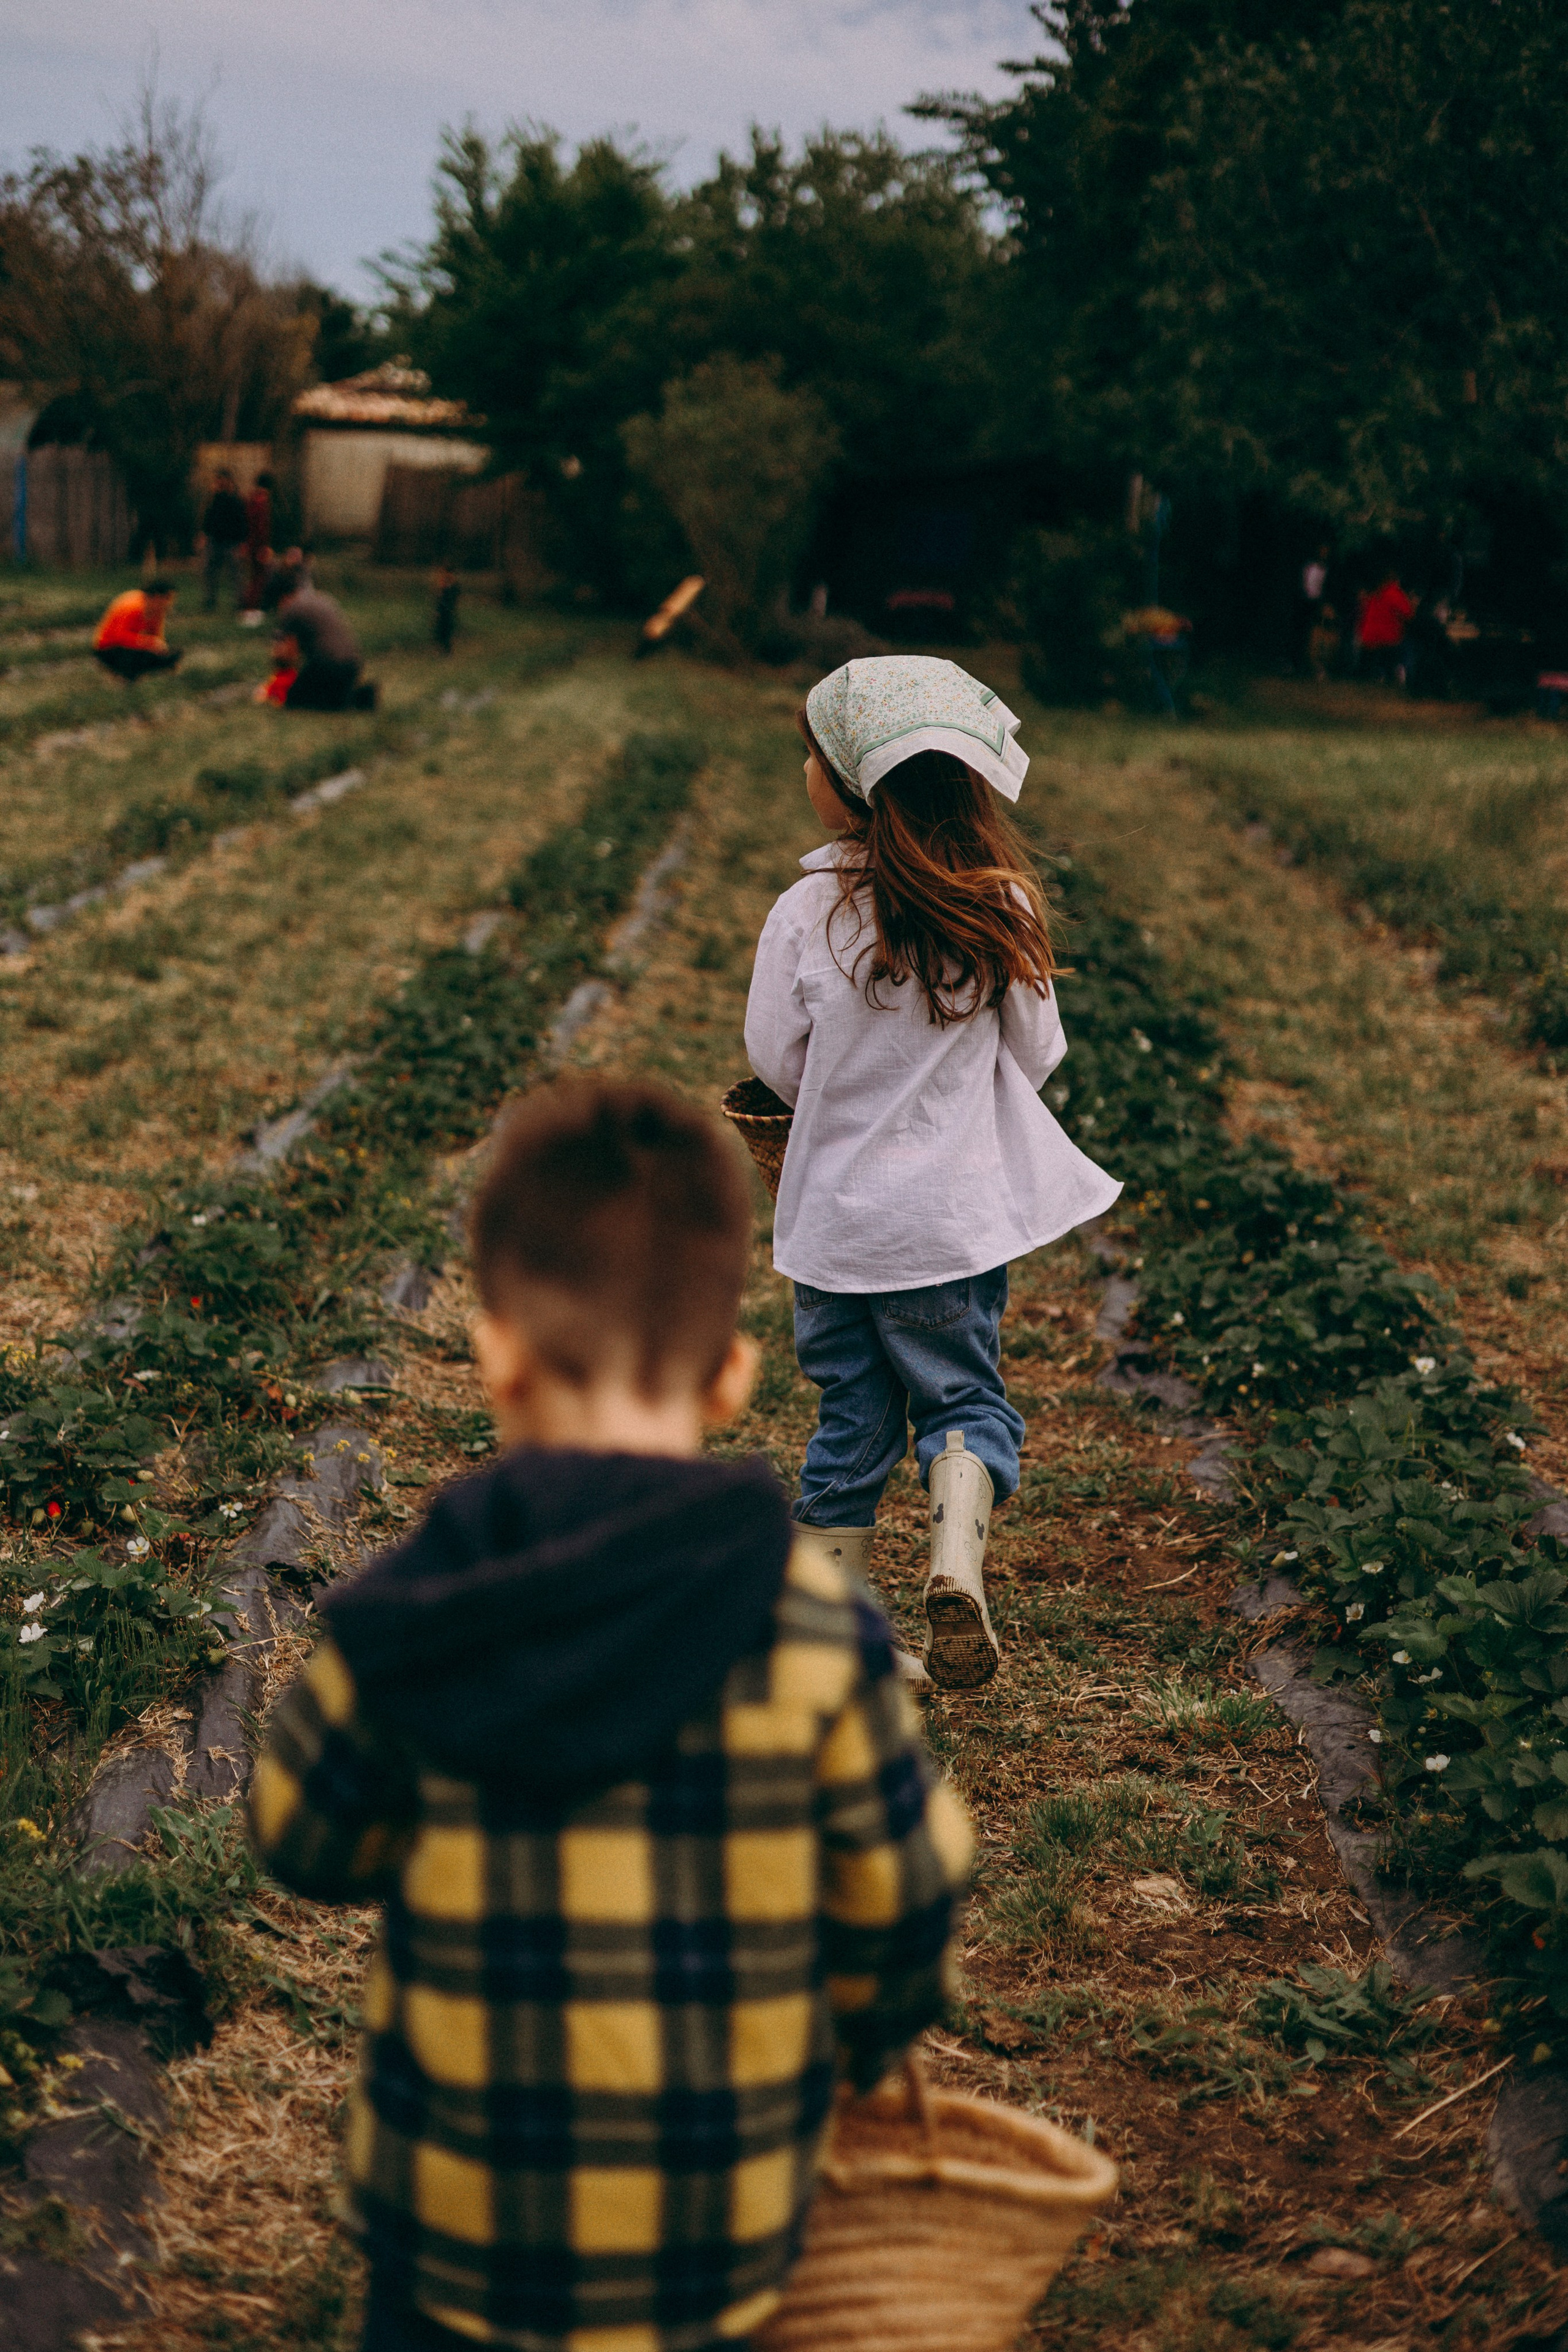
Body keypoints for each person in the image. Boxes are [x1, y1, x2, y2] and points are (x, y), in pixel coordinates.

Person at [251, 1076, 972, 2352]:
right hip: (714, 2243)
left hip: (456, 2244)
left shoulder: (428, 1608)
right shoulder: (812, 1629)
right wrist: (850, 2042)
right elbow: (903, 1896)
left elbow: (307, 1839)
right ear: (734, 1377)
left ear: (496, 1355)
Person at [745, 657, 1121, 1692]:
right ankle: (955, 1564)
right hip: (945, 1235)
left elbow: (774, 1058)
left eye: (811, 754)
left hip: (830, 1233)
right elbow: (1039, 1056)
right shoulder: (996, 900)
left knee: (849, 1426)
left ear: (849, 782)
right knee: (965, 1403)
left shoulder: (808, 908)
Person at [275, 579, 372, 709]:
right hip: (353, 664)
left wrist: (279, 680)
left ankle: (345, 699)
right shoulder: (323, 599)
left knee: (294, 700)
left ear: (283, 597)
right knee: (332, 699)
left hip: (327, 665)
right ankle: (358, 697)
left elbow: (288, 655)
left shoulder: (291, 609)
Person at [91, 580, 182, 682]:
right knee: (136, 656)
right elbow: (119, 636)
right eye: (168, 599)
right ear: (157, 597)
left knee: (170, 655)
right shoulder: (132, 607)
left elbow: (156, 635)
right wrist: (148, 642)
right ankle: (125, 678)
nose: (171, 603)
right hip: (108, 649)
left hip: (130, 644)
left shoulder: (157, 610)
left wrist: (162, 651)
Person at [199, 469, 249, 612]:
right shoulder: (214, 499)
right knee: (210, 572)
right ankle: (210, 601)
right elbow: (209, 518)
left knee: (236, 574)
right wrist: (204, 534)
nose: (219, 484)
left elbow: (242, 522)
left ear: (228, 481)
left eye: (221, 480)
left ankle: (240, 602)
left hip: (231, 542)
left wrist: (242, 542)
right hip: (214, 541)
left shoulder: (236, 500)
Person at [1355, 567, 1414, 686]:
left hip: (1368, 638)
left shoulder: (1376, 594)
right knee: (1410, 644)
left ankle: (1380, 673)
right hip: (1387, 639)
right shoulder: (1394, 593)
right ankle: (1402, 671)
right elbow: (1409, 614)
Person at [241, 470, 276, 624]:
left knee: (254, 577)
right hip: (258, 546)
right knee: (259, 578)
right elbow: (261, 528)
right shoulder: (262, 502)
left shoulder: (251, 500)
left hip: (251, 544)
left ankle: (250, 606)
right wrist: (264, 547)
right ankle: (251, 610)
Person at [1297, 543, 1330, 674]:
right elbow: (1305, 584)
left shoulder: (1327, 569)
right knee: (1303, 632)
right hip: (1306, 602)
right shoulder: (1309, 567)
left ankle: (1316, 664)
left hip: (1318, 604)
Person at [432, 563, 459, 654]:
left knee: (446, 632)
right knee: (440, 631)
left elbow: (451, 598)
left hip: (448, 612)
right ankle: (443, 650)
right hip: (443, 611)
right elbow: (439, 598)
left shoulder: (453, 585)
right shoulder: (444, 583)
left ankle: (447, 651)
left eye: (444, 572)